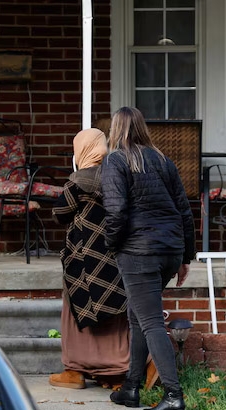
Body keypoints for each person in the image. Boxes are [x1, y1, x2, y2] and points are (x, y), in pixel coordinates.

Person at [101, 107, 195, 410]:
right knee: (139, 317)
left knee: (151, 321)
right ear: (143, 128)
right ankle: (131, 387)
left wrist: (111, 244)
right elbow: (185, 211)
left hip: (139, 252)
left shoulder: (116, 161)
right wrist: (186, 257)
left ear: (116, 130)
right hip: (169, 251)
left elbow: (116, 211)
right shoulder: (164, 161)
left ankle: (173, 395)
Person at [48, 128, 130, 389]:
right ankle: (115, 372)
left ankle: (75, 372)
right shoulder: (118, 176)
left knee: (76, 314)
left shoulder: (77, 182)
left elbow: (59, 213)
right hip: (115, 257)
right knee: (115, 314)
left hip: (83, 261)